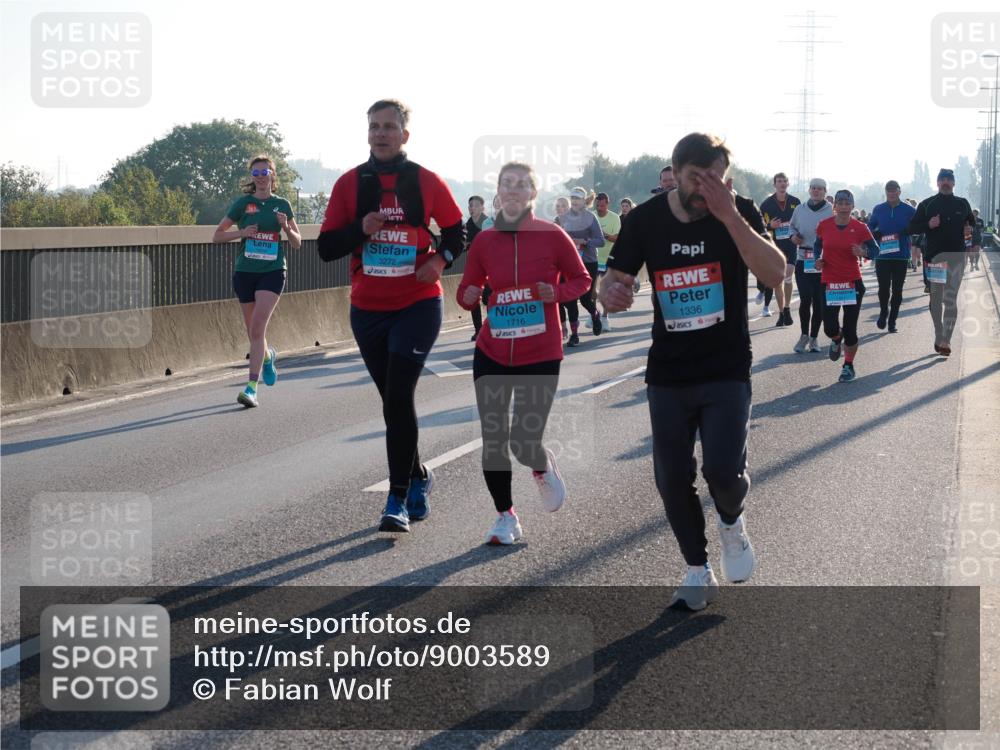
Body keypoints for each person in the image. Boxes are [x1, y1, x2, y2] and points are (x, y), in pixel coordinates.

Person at [599, 133, 786, 610]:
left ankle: (731, 520)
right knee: (671, 478)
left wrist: (730, 216)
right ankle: (697, 569)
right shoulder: (644, 219)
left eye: (718, 179)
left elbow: (775, 272)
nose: (709, 189)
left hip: (726, 366)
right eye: (698, 180)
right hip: (669, 372)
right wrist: (610, 293)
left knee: (723, 472)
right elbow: (615, 281)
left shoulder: (736, 207)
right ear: (676, 173)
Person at [317, 99, 465, 532]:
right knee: (393, 403)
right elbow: (326, 248)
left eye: (389, 127)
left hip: (417, 305)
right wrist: (359, 230)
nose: (380, 134)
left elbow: (459, 231)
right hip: (368, 311)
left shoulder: (424, 181)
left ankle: (396, 497)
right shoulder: (349, 184)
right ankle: (419, 476)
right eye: (374, 127)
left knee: (398, 398)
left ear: (405, 134)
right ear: (367, 133)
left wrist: (440, 262)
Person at [457, 162, 592, 544]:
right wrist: (467, 296)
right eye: (506, 184)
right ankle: (506, 517)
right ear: (498, 193)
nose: (513, 191)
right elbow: (469, 288)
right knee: (495, 437)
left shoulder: (552, 235)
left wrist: (558, 293)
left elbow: (581, 279)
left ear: (533, 193)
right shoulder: (484, 240)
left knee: (523, 440)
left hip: (541, 351)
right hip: (492, 349)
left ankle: (541, 464)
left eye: (521, 185)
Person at [213, 154, 301, 408]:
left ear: (273, 176)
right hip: (245, 272)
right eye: (256, 174)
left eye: (265, 173)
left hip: (272, 271)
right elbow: (216, 236)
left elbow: (297, 243)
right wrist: (242, 232)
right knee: (253, 331)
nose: (261, 178)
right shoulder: (243, 204)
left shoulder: (282, 204)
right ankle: (267, 356)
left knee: (258, 327)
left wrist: (286, 228)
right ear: (253, 178)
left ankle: (251, 387)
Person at [907, 168, 981, 356]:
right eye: (943, 180)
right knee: (936, 299)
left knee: (950, 299)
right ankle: (938, 333)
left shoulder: (963, 204)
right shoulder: (927, 204)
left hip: (957, 257)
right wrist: (928, 225)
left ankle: (946, 340)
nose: (946, 182)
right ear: (938, 183)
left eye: (949, 179)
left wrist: (969, 232)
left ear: (954, 183)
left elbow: (972, 226)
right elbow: (912, 227)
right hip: (934, 258)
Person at [814, 190, 879, 383]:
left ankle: (848, 366)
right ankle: (836, 338)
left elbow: (875, 250)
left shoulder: (860, 227)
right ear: (834, 206)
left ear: (852, 206)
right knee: (829, 327)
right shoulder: (824, 225)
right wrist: (818, 258)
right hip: (829, 282)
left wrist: (863, 251)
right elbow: (818, 245)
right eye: (840, 203)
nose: (843, 207)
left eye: (847, 203)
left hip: (852, 283)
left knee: (851, 329)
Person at [789, 178, 834, 353]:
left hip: (823, 261)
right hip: (803, 258)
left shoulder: (831, 211)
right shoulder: (800, 209)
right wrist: (793, 237)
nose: (816, 191)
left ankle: (814, 338)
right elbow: (791, 228)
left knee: (819, 301)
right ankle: (803, 335)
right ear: (809, 190)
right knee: (805, 298)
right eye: (813, 188)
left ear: (825, 192)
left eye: (820, 189)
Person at [866, 180, 916, 333]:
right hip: (883, 255)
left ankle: (893, 320)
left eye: (895, 190)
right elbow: (869, 226)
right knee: (883, 289)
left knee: (897, 290)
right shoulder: (879, 209)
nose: (892, 193)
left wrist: (907, 230)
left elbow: (917, 225)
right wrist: (875, 233)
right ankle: (883, 312)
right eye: (889, 190)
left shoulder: (909, 210)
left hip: (901, 255)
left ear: (899, 192)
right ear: (886, 192)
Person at [560, 186, 605, 343]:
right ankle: (574, 335)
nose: (574, 201)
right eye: (572, 198)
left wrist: (584, 241)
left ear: (583, 201)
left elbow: (601, 241)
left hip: (588, 262)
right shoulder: (564, 217)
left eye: (577, 198)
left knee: (585, 299)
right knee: (570, 299)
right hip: (569, 264)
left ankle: (595, 315)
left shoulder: (590, 217)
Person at [759, 172, 801, 327]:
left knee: (788, 277)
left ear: (788, 184)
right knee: (778, 282)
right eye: (779, 181)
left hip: (791, 246)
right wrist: (771, 226)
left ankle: (788, 308)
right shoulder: (766, 204)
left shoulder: (796, 202)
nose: (782, 183)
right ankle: (782, 312)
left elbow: (801, 222)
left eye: (784, 181)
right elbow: (759, 227)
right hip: (775, 248)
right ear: (774, 184)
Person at [466, 195, 494, 340]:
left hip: (490, 266)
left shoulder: (488, 222)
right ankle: (478, 330)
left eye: (475, 205)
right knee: (473, 296)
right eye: (470, 206)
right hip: (475, 266)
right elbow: (465, 243)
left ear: (482, 207)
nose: (472, 208)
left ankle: (491, 326)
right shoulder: (468, 224)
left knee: (488, 297)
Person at [594, 192, 621, 330]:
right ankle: (594, 314)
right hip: (593, 258)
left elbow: (616, 238)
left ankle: (605, 317)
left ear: (607, 204)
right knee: (591, 291)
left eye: (602, 205)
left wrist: (602, 234)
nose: (600, 207)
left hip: (609, 259)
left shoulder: (615, 217)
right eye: (598, 205)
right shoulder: (591, 216)